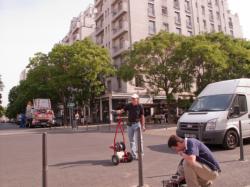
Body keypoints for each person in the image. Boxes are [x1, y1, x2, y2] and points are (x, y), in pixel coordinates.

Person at [114, 93, 146, 160]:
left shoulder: (140, 106)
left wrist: (143, 126)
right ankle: (134, 155)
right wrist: (118, 111)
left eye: (134, 99)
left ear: (137, 99)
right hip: (130, 125)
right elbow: (123, 110)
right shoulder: (129, 105)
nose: (133, 100)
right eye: (132, 99)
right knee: (131, 140)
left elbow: (142, 116)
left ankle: (141, 154)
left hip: (137, 124)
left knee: (139, 140)